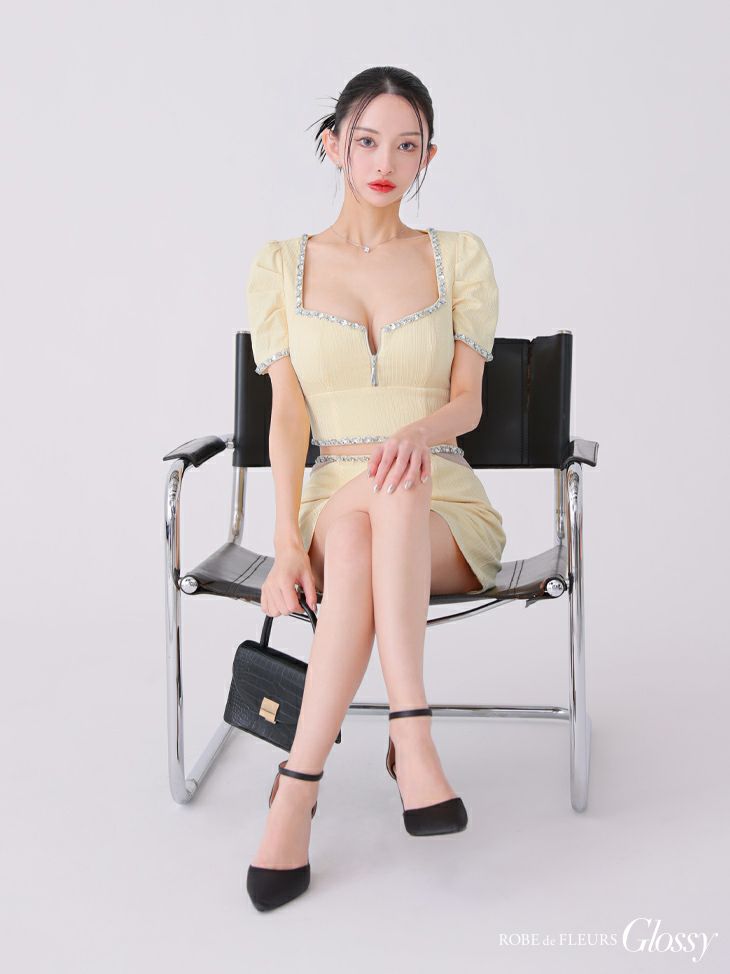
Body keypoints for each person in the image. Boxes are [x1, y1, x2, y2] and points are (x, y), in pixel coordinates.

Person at [244, 66, 507, 911]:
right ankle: (411, 741)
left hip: (441, 503)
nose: (385, 162)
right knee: (356, 528)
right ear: (334, 145)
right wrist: (285, 544)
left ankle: (297, 788)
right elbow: (289, 416)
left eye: (406, 145)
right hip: (332, 502)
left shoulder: (456, 256)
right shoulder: (282, 266)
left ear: (429, 155)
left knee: (395, 492)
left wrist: (417, 434)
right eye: (366, 141)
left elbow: (467, 402)